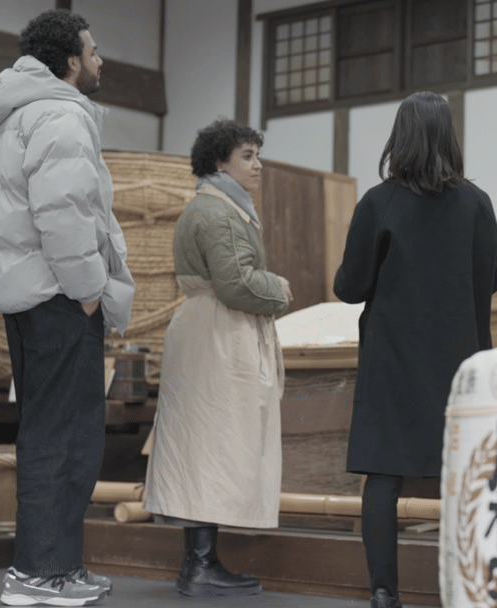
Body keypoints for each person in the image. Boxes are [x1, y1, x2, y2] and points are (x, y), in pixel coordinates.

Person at [0, 8, 134, 607]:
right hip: (59, 295)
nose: (99, 61)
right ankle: (38, 573)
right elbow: (63, 213)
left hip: (34, 295)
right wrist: (91, 291)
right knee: (60, 437)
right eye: (92, 52)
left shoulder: (21, 113)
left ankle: (58, 566)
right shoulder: (61, 113)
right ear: (68, 60)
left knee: (60, 433)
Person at [334, 91, 497, 608]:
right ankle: (462, 586)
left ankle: (384, 593)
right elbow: (488, 282)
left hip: (392, 359)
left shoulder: (379, 203)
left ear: (398, 136)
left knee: (383, 476)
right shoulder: (476, 203)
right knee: (460, 475)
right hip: (459, 359)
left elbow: (350, 286)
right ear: (448, 135)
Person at [143, 119, 292, 597]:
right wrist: (280, 288)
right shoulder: (219, 213)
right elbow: (238, 283)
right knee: (216, 445)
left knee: (206, 445)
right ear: (218, 162)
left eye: (257, 155)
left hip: (210, 328)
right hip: (219, 332)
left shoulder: (216, 206)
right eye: (247, 156)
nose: (258, 165)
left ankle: (200, 562)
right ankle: (201, 564)